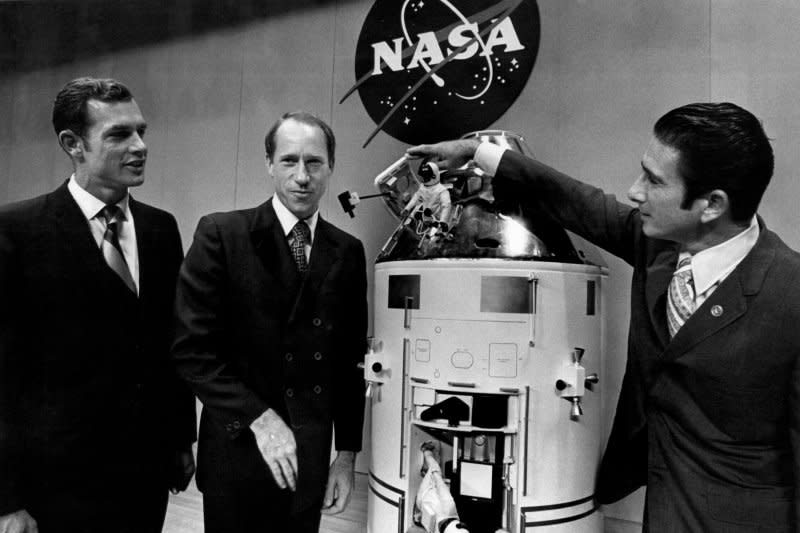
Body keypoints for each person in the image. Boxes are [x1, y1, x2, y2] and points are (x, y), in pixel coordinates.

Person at [408, 102, 800, 531]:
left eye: (653, 180)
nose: (635, 191)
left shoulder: (790, 293)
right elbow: (576, 200)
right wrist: (474, 151)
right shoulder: (659, 246)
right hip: (663, 504)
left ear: (712, 204)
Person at [0, 77, 196, 533]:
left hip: (145, 475)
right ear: (73, 143)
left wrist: (180, 438)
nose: (140, 145)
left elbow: (173, 344)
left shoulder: (160, 229)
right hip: (56, 485)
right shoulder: (16, 231)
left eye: (141, 131)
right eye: (119, 134)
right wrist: (7, 497)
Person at [171, 110, 368, 533]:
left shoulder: (347, 251)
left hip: (310, 458)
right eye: (289, 161)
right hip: (239, 451)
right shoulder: (222, 234)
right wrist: (260, 419)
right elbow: (191, 350)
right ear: (269, 165)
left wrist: (347, 455)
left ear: (331, 167)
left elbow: (351, 362)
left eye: (314, 162)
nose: (302, 176)